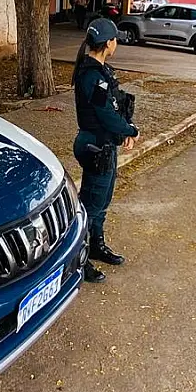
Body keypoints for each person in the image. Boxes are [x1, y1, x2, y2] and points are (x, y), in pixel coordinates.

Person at [72, 18, 138, 284]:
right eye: (116, 40)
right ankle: (80, 259)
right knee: (90, 206)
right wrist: (130, 131)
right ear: (109, 43)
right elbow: (106, 114)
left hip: (104, 145)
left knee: (102, 202)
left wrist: (122, 132)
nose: (116, 43)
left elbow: (112, 110)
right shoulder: (92, 76)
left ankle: (96, 246)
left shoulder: (99, 72)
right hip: (95, 145)